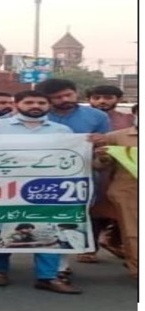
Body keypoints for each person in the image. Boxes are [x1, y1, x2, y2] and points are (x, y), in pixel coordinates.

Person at [0, 90, 81, 294]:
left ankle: (48, 277)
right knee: (1, 227)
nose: (36, 106)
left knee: (48, 230)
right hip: (2, 187)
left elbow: (72, 158)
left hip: (46, 188)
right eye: (29, 102)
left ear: (48, 105)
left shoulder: (63, 131)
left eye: (41, 102)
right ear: (17, 104)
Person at [34, 78, 110, 265]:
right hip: (41, 172)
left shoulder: (97, 116)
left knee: (86, 210)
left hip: (83, 171)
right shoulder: (36, 115)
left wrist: (100, 143)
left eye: (68, 94)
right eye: (57, 97)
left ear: (76, 92)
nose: (64, 99)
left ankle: (89, 248)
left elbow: (106, 143)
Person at [93, 104, 138, 279]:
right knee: (133, 232)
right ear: (135, 113)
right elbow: (99, 166)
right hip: (128, 190)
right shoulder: (115, 137)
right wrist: (102, 157)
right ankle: (137, 269)